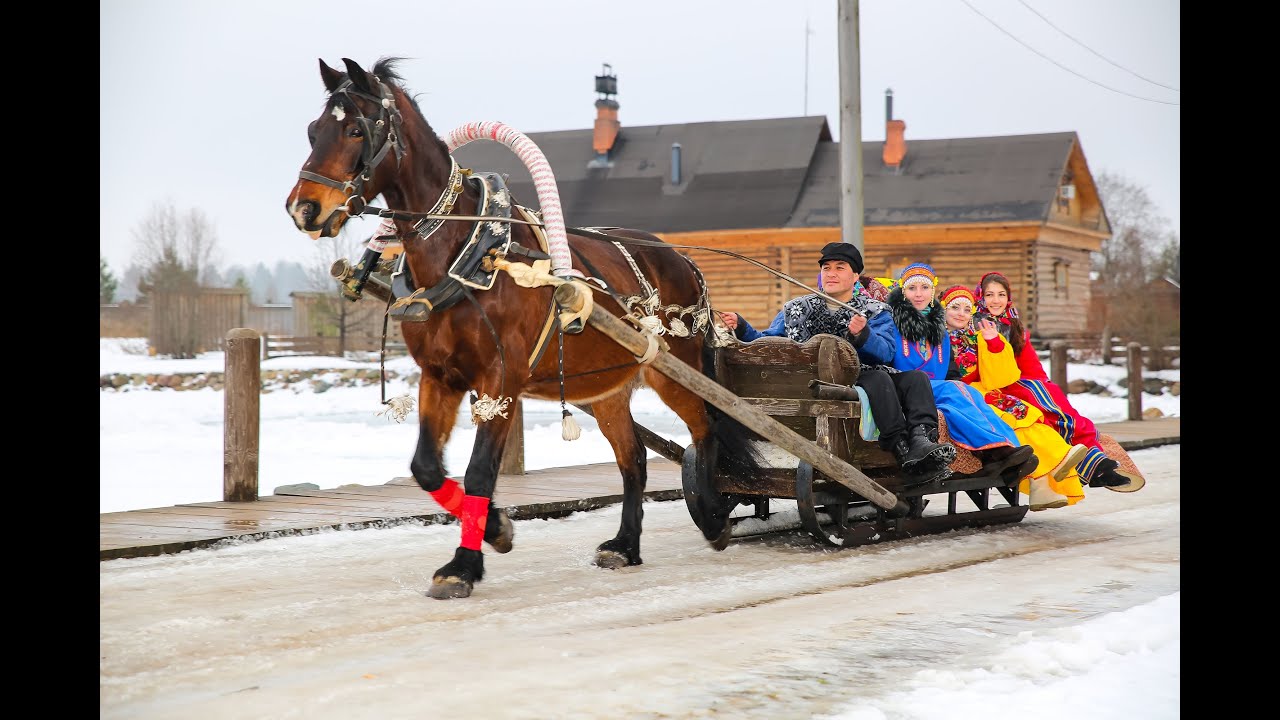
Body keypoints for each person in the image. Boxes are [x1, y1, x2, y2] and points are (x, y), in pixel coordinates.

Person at [719, 242, 956, 486]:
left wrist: (864, 335)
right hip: (815, 383)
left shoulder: (874, 310)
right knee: (879, 379)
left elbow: (885, 353)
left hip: (864, 372)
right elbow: (768, 342)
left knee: (916, 379)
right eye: (826, 268)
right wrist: (743, 326)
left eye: (839, 268)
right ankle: (901, 449)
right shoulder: (795, 308)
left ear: (855, 276)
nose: (831, 273)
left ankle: (921, 441)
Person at [974, 271, 1144, 492]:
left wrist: (1043, 385)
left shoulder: (1013, 327)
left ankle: (1097, 463)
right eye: (989, 295)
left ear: (1008, 298)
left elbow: (1031, 364)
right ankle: (1091, 466)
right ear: (981, 297)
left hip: (1024, 380)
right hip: (996, 385)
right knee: (1048, 411)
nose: (995, 300)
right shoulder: (974, 327)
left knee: (1059, 405)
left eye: (1001, 294)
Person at [940, 284, 1088, 511]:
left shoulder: (977, 337)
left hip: (985, 391)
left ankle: (1058, 459)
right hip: (959, 395)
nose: (961, 313)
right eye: (954, 308)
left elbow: (1001, 377)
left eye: (967, 309)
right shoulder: (936, 336)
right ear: (943, 309)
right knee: (1005, 422)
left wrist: (994, 343)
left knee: (1025, 414)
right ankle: (1041, 479)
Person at [874, 263, 1034, 472]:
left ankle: (1002, 449)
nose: (919, 294)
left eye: (925, 288)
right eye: (912, 288)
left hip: (937, 387)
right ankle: (997, 448)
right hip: (906, 387)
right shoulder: (891, 322)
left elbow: (950, 370)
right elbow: (884, 357)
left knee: (966, 397)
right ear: (903, 293)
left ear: (932, 293)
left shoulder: (939, 329)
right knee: (954, 390)